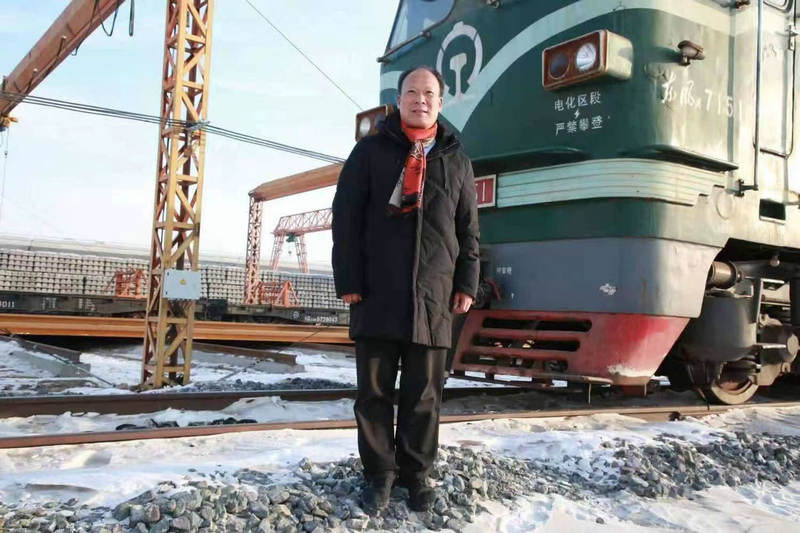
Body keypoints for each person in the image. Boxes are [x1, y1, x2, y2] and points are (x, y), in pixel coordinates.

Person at [331, 65, 480, 513]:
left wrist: (466, 282)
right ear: (399, 101)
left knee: (424, 396)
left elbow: (468, 228)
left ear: (441, 102)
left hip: (434, 295)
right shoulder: (370, 151)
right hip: (376, 291)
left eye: (429, 93)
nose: (421, 99)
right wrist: (349, 280)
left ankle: (416, 475)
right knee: (374, 394)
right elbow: (346, 218)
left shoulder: (456, 159)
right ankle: (379, 474)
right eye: (412, 92)